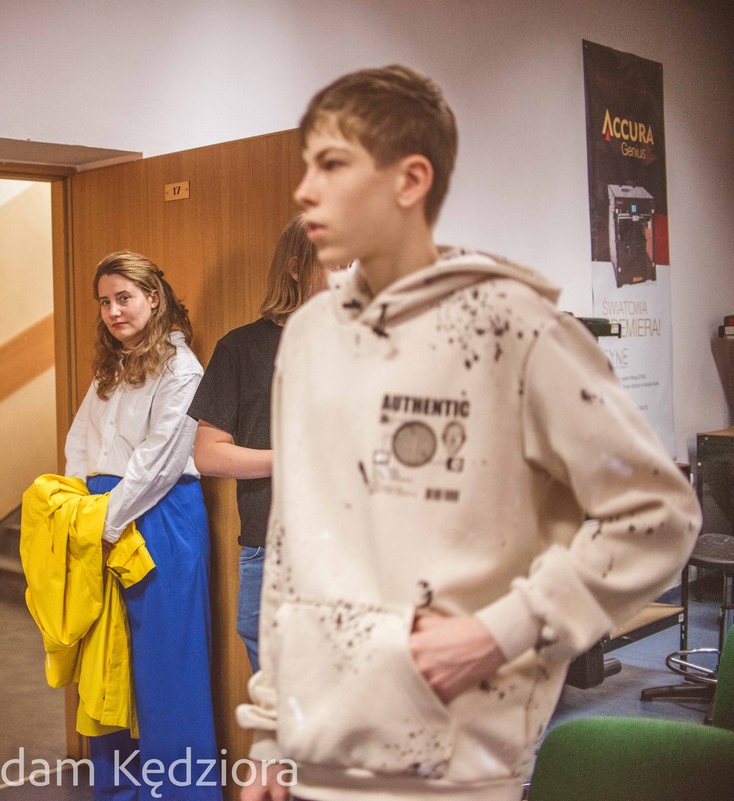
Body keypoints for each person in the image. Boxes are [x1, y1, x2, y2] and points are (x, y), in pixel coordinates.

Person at [238, 66, 700, 801]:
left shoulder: (514, 327)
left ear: (410, 180)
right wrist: (270, 728)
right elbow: (297, 545)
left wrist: (500, 631)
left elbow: (658, 515)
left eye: (332, 165)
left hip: (454, 762)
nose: (305, 190)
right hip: (312, 751)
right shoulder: (310, 335)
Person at [64, 251, 221, 801]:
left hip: (160, 520)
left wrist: (103, 524)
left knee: (166, 669)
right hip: (101, 516)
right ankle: (118, 793)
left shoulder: (182, 370)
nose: (113, 311)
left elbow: (158, 465)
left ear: (153, 298)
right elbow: (80, 441)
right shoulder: (110, 368)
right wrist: (76, 507)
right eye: (104, 301)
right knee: (110, 666)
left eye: (124, 298)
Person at [187, 214, 337, 672]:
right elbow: (208, 453)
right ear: (296, 267)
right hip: (272, 549)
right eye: (336, 262)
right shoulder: (241, 349)